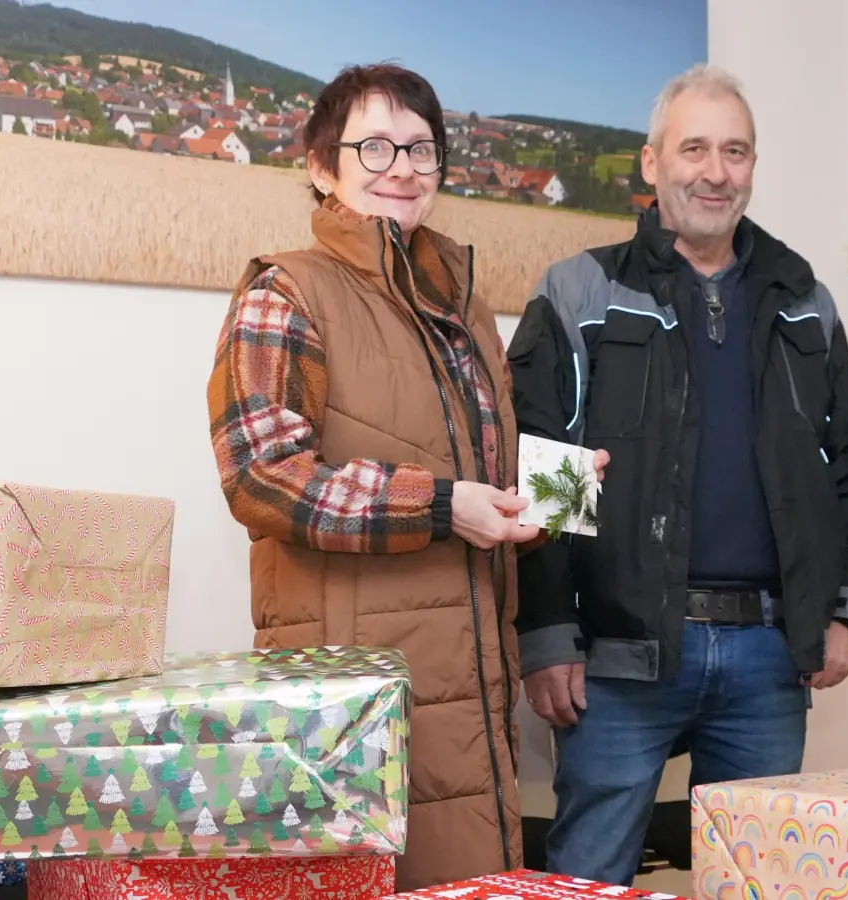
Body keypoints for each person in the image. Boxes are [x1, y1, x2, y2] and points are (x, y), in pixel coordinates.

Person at [206, 63, 603, 891]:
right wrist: (445, 506)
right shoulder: (284, 292)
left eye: (422, 150)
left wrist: (560, 497)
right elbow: (261, 475)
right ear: (322, 169)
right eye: (376, 145)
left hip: (471, 695)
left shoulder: (463, 306)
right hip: (354, 696)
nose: (403, 168)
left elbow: (481, 480)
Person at [507, 63, 848, 885]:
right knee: (586, 878)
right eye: (695, 148)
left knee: (756, 877)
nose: (715, 171)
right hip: (616, 655)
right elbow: (546, 476)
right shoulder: (582, 291)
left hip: (768, 656)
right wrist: (545, 636)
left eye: (736, 151)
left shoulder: (803, 300)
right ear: (652, 163)